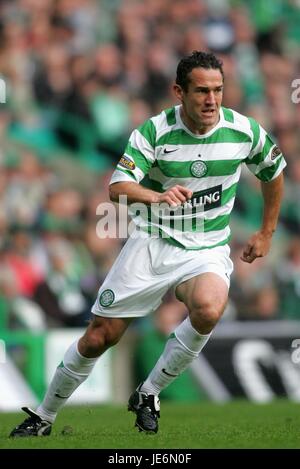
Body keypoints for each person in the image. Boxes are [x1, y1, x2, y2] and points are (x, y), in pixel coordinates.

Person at [10, 51, 285, 437]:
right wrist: (156, 197)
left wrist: (267, 231)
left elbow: (274, 174)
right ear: (179, 91)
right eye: (202, 91)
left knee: (209, 308)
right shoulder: (154, 132)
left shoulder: (245, 131)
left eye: (218, 90)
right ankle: (43, 416)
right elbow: (116, 187)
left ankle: (148, 392)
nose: (212, 100)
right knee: (99, 337)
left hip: (205, 247)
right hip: (152, 242)